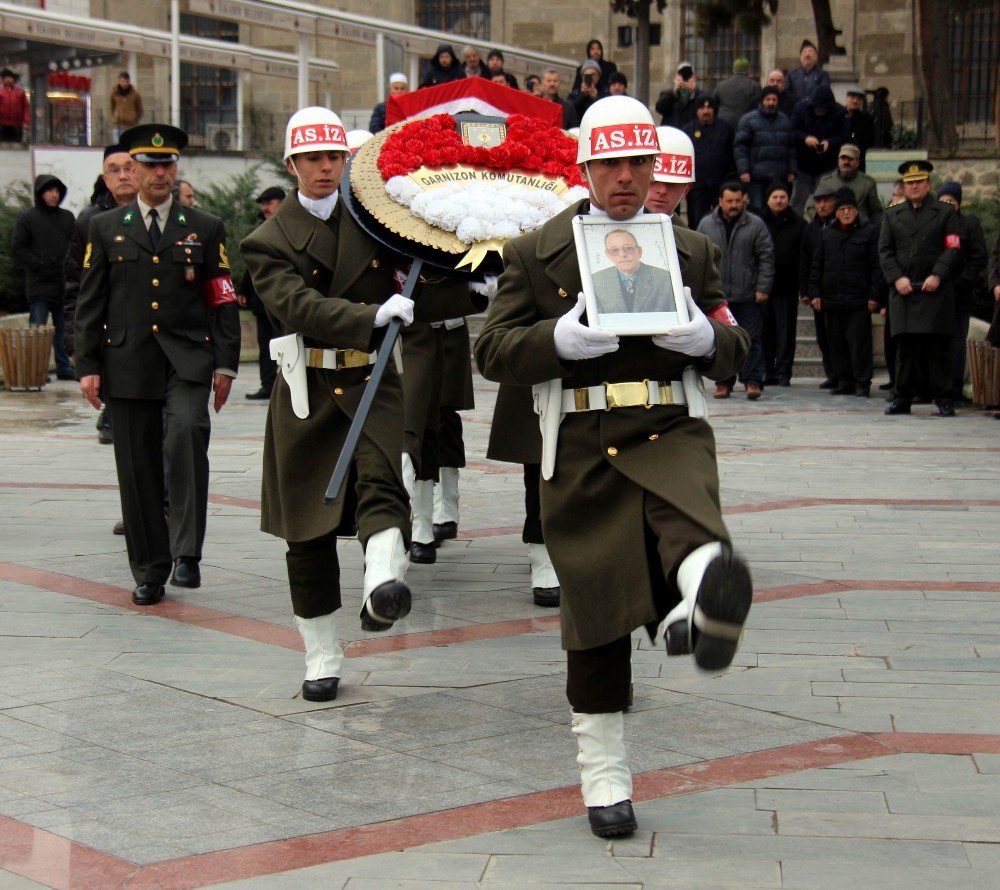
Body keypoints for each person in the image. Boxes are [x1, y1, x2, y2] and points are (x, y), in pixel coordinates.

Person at [475, 95, 752, 840]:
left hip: (669, 423)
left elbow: (736, 344)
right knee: (593, 613)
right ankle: (605, 776)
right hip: (581, 440)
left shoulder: (690, 251)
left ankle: (707, 594)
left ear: (656, 167)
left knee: (690, 519)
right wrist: (555, 341)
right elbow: (491, 350)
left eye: (638, 163)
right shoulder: (537, 251)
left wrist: (704, 339)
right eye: (610, 164)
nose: (625, 179)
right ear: (585, 166)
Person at [240, 107, 415, 702]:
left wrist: (473, 281)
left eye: (334, 157)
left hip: (369, 382)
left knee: (382, 481)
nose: (324, 167)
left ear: (347, 161)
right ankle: (321, 652)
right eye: (312, 157)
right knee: (307, 533)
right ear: (291, 165)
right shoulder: (265, 241)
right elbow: (298, 307)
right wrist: (370, 317)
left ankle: (383, 582)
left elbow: (419, 278)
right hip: (307, 391)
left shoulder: (375, 221)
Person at [75, 123, 241, 604]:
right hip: (126, 362)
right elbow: (91, 300)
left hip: (187, 358)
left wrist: (226, 365)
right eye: (149, 165)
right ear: (134, 169)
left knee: (187, 432)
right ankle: (149, 569)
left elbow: (222, 298)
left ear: (176, 168)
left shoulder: (204, 227)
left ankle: (186, 553)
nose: (159, 173)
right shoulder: (106, 228)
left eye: (167, 164)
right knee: (136, 464)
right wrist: (87, 363)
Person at [64, 144, 139, 446]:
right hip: (109, 316)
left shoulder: (164, 216)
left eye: (129, 168)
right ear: (104, 178)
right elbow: (74, 285)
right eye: (115, 170)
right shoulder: (90, 221)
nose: (123, 176)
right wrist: (74, 342)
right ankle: (112, 409)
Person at [879, 160, 961, 416]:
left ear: (928, 184)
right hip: (904, 290)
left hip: (934, 290)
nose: (913, 187)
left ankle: (944, 398)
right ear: (903, 186)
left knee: (936, 348)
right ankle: (902, 397)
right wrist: (896, 278)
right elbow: (884, 251)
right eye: (909, 183)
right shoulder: (892, 214)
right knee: (905, 348)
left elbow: (953, 247)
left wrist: (938, 274)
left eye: (918, 182)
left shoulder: (945, 212)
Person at [697, 181, 775, 400]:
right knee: (721, 340)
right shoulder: (706, 224)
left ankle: (753, 381)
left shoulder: (756, 224)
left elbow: (766, 257)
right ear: (720, 201)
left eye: (737, 201)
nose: (733, 205)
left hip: (748, 293)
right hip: (717, 295)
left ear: (744, 201)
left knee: (752, 338)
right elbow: (700, 258)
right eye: (729, 201)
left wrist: (762, 287)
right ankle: (723, 382)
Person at [809, 188, 882, 397]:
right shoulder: (827, 234)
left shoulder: (868, 232)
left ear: (856, 211)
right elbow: (817, 265)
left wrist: (874, 295)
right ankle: (844, 380)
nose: (846, 213)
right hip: (831, 300)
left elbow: (876, 267)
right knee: (836, 343)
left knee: (859, 344)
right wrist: (815, 293)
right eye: (842, 209)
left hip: (858, 300)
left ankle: (862, 382)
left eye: (850, 208)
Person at [11, 175, 76, 381]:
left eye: (57, 191)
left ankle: (64, 367)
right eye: (49, 191)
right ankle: (35, 369)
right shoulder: (28, 218)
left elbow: (76, 244)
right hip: (39, 283)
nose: (54, 195)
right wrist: (38, 264)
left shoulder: (67, 217)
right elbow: (18, 246)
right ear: (41, 193)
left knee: (62, 329)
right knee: (37, 329)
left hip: (62, 282)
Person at [936, 182, 987, 400]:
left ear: (958, 203)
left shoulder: (969, 225)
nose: (947, 205)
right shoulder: (933, 224)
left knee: (957, 342)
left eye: (951, 201)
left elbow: (979, 258)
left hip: (960, 294)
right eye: (943, 201)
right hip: (935, 293)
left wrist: (961, 282)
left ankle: (954, 386)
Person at [239, 186, 286, 401]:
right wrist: (243, 290)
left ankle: (287, 385)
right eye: (263, 204)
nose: (264, 207)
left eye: (269, 203)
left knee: (288, 343)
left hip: (287, 298)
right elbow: (252, 266)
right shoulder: (261, 230)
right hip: (262, 299)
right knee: (266, 344)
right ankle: (268, 384)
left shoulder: (292, 227)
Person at [760, 181, 805, 387]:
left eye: (782, 197)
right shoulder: (758, 222)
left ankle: (784, 371)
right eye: (774, 197)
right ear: (768, 200)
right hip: (764, 287)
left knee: (786, 331)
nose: (778, 201)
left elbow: (804, 256)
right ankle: (768, 370)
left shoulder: (798, 223)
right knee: (766, 330)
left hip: (788, 285)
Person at [799, 184, 838, 388]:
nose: (822, 205)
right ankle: (831, 372)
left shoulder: (840, 225)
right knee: (823, 335)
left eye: (826, 201)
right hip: (818, 292)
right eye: (819, 201)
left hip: (839, 291)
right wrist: (806, 290)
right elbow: (805, 261)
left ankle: (845, 374)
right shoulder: (811, 229)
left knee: (839, 335)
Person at [734, 86, 796, 212]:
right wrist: (743, 171)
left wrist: (792, 170)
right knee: (758, 210)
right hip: (757, 177)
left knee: (780, 210)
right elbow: (740, 147)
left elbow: (791, 149)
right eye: (768, 99)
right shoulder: (748, 120)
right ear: (762, 101)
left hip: (780, 176)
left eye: (774, 100)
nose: (771, 103)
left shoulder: (785, 121)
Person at [790, 86, 845, 215]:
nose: (820, 111)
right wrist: (805, 138)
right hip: (803, 164)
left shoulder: (839, 112)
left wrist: (829, 142)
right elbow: (791, 130)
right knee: (798, 200)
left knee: (824, 200)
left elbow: (843, 134)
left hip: (827, 165)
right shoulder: (800, 109)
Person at [592, 229, 675, 313]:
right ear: (608, 255)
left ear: (639, 251)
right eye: (615, 250)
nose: (622, 254)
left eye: (628, 248)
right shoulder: (595, 281)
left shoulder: (665, 278)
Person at [683, 93, 734, 229]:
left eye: (709, 108)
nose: (706, 111)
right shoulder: (688, 130)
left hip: (720, 184)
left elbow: (732, 155)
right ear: (696, 111)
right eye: (702, 108)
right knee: (697, 219)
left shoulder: (725, 129)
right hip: (697, 186)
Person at [813, 144, 882, 227]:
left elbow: (876, 213)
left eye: (850, 159)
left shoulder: (867, 183)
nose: (846, 162)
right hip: (831, 230)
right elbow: (812, 205)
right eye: (843, 158)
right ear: (838, 161)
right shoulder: (826, 182)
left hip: (860, 231)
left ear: (857, 162)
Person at [644, 126, 697, 224]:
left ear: (686, 189)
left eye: (672, 183)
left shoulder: (694, 239)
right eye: (653, 181)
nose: (662, 190)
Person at [714, 58, 760, 130]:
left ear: (733, 71)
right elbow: (757, 106)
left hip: (723, 122)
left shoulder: (720, 86)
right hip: (745, 123)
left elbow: (714, 105)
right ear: (748, 71)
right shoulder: (753, 86)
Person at [654, 62, 698, 129]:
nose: (685, 77)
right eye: (682, 74)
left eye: (688, 75)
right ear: (676, 77)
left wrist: (694, 92)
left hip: (691, 132)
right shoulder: (668, 94)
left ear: (694, 77)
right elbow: (659, 108)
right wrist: (674, 93)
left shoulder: (698, 94)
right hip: (673, 132)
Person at [787, 39, 831, 105]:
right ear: (800, 57)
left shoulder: (822, 75)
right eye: (804, 52)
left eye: (810, 52)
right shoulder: (791, 75)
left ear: (816, 57)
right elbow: (787, 93)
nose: (807, 55)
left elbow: (824, 93)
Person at [843, 89, 875, 168]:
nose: (855, 101)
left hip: (857, 160)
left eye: (858, 99)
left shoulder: (866, 119)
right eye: (852, 97)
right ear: (846, 99)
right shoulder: (838, 116)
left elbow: (870, 139)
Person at [109, 72, 143, 141]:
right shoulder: (114, 94)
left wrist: (135, 119)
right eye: (123, 81)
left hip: (131, 126)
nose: (125, 83)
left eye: (126, 81)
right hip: (118, 126)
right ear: (119, 81)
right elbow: (112, 107)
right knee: (118, 148)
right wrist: (116, 116)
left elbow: (139, 109)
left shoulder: (135, 94)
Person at [0, 68, 29, 142]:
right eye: (6, 78)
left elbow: (25, 107)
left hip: (17, 124)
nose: (8, 79)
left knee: (17, 145)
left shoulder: (20, 92)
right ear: (3, 80)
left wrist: (26, 121)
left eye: (10, 77)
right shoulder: (0, 92)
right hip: (2, 124)